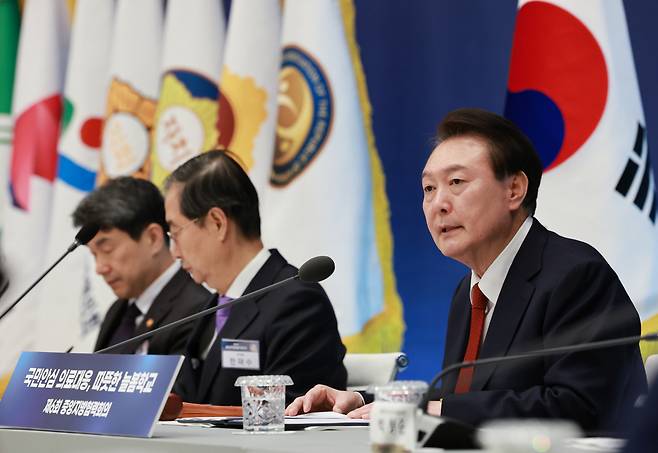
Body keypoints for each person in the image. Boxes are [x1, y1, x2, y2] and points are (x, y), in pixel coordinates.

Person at [286, 108, 647, 432]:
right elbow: (460, 396)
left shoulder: (576, 275)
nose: (438, 204)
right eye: (429, 188)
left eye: (456, 182)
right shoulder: (469, 293)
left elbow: (577, 407)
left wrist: (431, 407)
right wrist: (364, 401)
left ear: (515, 190)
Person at [164, 150, 347, 406]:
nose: (174, 252)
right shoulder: (212, 306)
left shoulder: (297, 302)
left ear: (217, 223)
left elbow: (293, 413)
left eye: (175, 233)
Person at [73, 176, 210, 354]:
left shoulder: (196, 311)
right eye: (94, 254)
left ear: (153, 238)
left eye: (107, 249)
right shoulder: (118, 311)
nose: (99, 268)